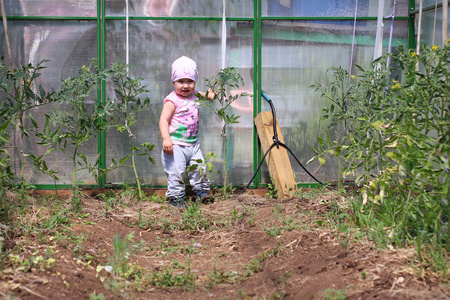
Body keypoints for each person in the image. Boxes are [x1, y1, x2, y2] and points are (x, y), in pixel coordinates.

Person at [159, 56, 214, 207]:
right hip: (176, 145)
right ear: (173, 82)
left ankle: (201, 192)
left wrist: (211, 95)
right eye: (181, 81)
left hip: (193, 143)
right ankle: (175, 198)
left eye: (189, 81)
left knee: (199, 168)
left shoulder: (194, 94)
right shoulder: (172, 100)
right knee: (176, 172)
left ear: (194, 82)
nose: (185, 86)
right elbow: (163, 120)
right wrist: (166, 139)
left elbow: (206, 96)